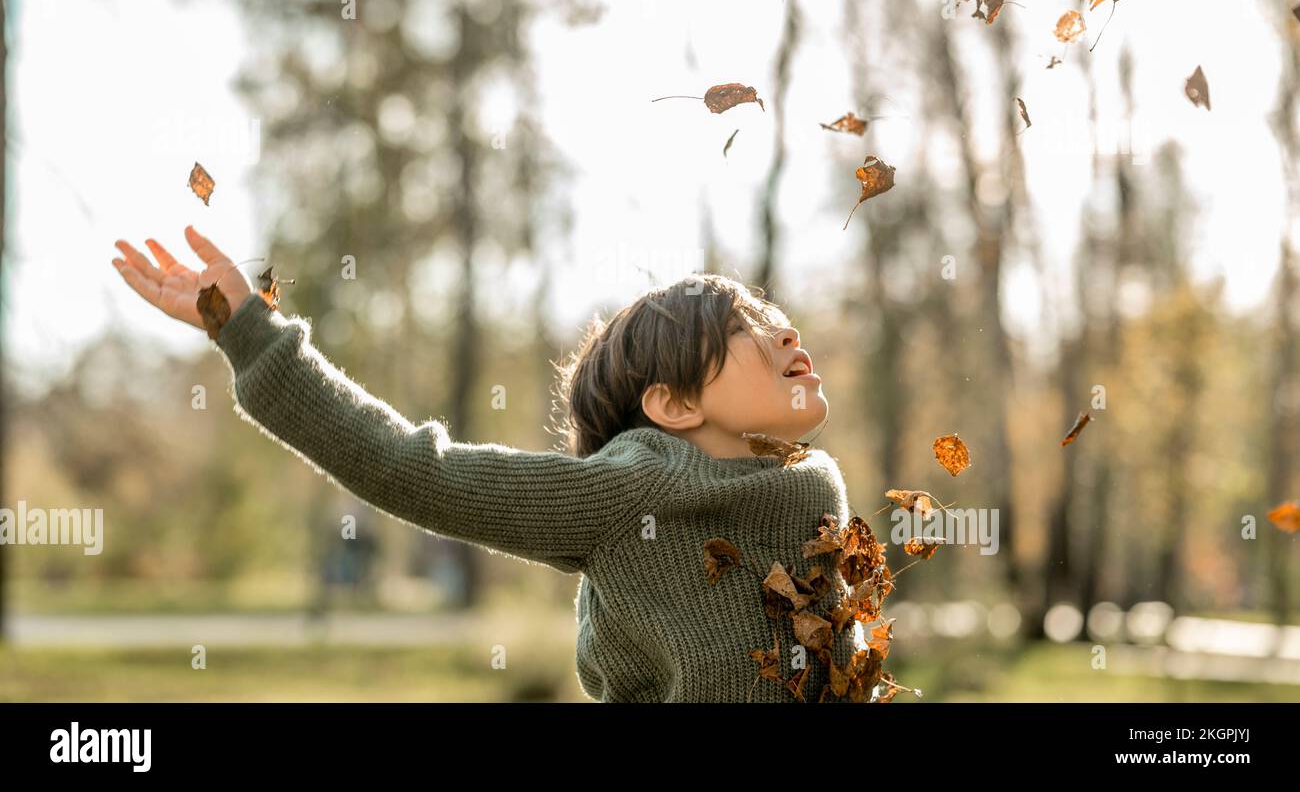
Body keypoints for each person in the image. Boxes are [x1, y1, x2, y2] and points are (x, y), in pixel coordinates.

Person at [112, 225, 869, 702]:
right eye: (747, 325)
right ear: (672, 405)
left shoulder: (814, 490)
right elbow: (414, 470)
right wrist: (250, 332)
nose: (786, 329)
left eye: (773, 315)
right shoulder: (632, 487)